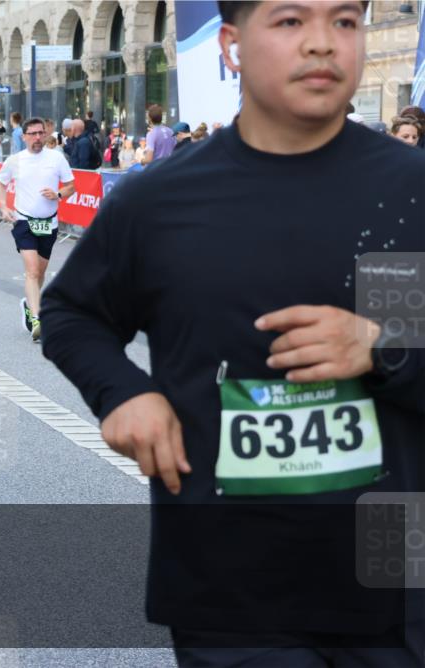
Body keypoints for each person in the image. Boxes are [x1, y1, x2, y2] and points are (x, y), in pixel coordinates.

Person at [41, 1, 425, 664]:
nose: (321, 45)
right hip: (228, 581)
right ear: (231, 44)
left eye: (343, 21)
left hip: (392, 576)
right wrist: (123, 392)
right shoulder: (158, 201)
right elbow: (72, 315)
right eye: (289, 21)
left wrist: (385, 346)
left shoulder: (410, 190)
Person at [0, 117, 75, 342]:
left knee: (39, 272)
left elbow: (71, 186)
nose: (38, 138)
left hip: (49, 222)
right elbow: (0, 182)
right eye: (33, 134)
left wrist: (58, 194)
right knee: (31, 270)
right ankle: (38, 318)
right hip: (24, 221)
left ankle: (30, 306)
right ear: (24, 137)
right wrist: (3, 206)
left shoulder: (56, 158)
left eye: (41, 133)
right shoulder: (15, 160)